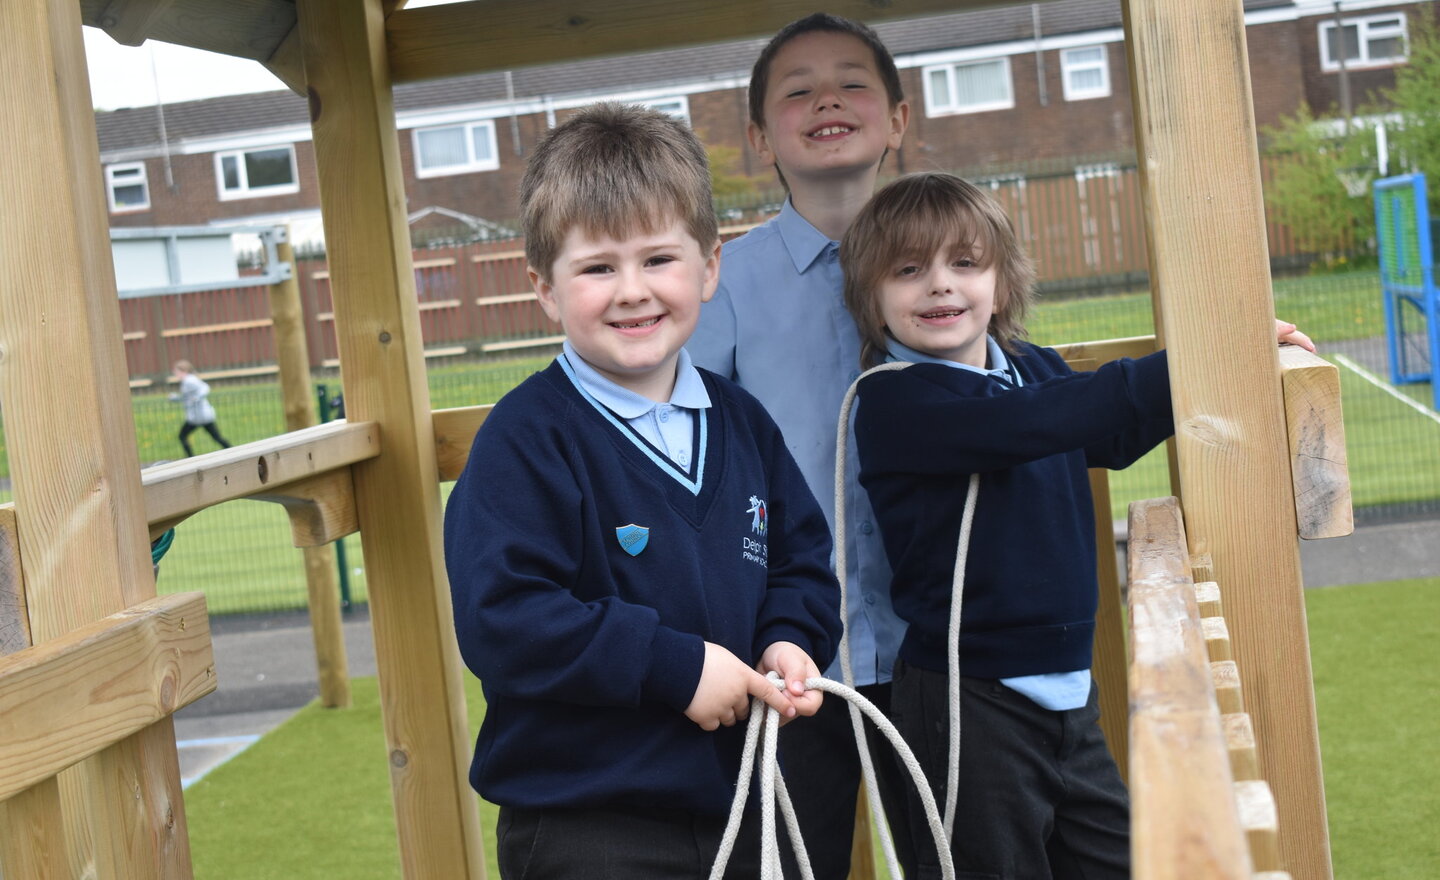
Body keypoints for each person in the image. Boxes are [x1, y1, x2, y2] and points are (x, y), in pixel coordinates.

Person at [839, 172, 1315, 878]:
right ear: (872, 300)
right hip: (967, 705)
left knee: (1117, 862)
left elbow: (1109, 437)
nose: (940, 285)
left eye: (964, 264)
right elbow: (1036, 423)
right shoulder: (891, 402)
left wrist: (1226, 372)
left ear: (999, 286)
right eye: (909, 271)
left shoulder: (1032, 369)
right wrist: (1202, 356)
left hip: (1069, 693)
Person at [443, 103, 843, 880]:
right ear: (546, 289)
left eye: (659, 259)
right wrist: (673, 667)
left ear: (709, 266)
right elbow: (505, 617)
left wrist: (791, 638)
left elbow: (801, 560)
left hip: (747, 807)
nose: (632, 291)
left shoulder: (742, 422)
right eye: (597, 268)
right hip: (592, 826)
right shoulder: (526, 441)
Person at [686, 13, 919, 878]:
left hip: (934, 649)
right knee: (788, 863)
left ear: (898, 118)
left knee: (953, 850)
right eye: (798, 90)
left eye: (853, 81)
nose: (827, 98)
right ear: (758, 139)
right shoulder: (723, 286)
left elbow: (1025, 383)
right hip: (787, 664)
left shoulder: (951, 266)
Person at [169, 360, 232, 457]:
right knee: (216, 437)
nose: (175, 373)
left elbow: (205, 388)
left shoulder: (189, 380)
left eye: (176, 371)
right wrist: (176, 398)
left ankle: (190, 458)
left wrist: (198, 397)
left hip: (198, 416)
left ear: (183, 371)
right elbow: (187, 398)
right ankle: (232, 450)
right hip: (201, 415)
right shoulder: (189, 380)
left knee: (182, 436)